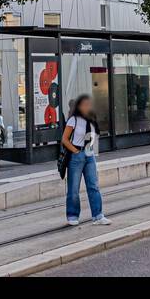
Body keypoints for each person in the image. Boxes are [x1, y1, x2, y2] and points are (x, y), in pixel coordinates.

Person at [61, 94, 109, 227]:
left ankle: (98, 216)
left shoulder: (92, 119)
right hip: (77, 155)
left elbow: (94, 135)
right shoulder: (73, 120)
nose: (88, 107)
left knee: (93, 185)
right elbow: (64, 139)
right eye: (85, 105)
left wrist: (93, 149)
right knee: (74, 188)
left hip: (89, 154)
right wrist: (75, 150)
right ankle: (72, 215)